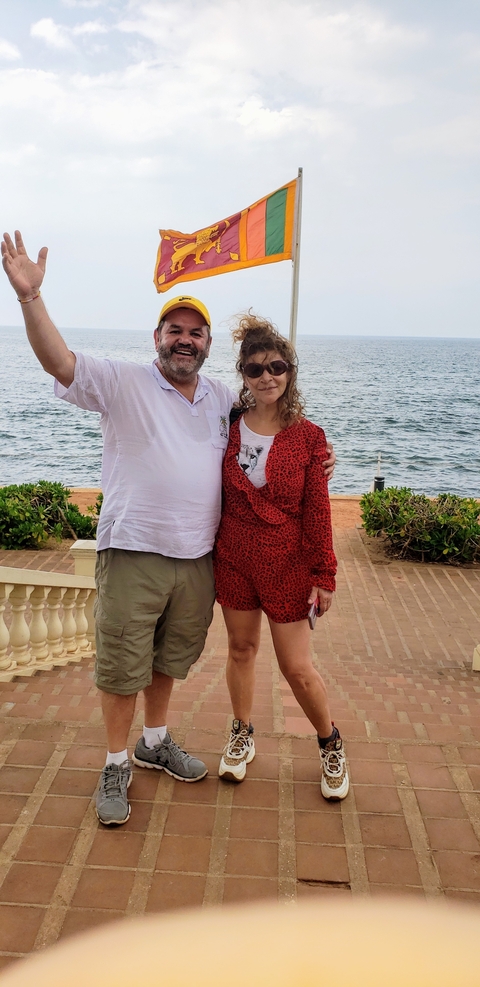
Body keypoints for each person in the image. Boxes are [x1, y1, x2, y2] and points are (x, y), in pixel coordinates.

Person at [1, 230, 338, 824]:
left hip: (199, 560)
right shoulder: (122, 380)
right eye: (175, 330)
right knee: (121, 664)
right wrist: (30, 298)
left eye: (195, 331)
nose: (185, 339)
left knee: (165, 660)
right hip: (133, 550)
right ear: (157, 338)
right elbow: (59, 362)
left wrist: (321, 458)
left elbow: (274, 432)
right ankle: (115, 763)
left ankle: (154, 743)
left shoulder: (217, 399)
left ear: (208, 345)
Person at [214, 314, 349, 799]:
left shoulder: (310, 438)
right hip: (233, 558)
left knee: (296, 668)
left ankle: (330, 742)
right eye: (254, 369)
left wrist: (324, 574)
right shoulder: (226, 425)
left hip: (288, 565)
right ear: (243, 375)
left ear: (290, 371)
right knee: (240, 650)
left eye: (276, 365)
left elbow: (318, 512)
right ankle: (242, 731)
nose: (266, 376)